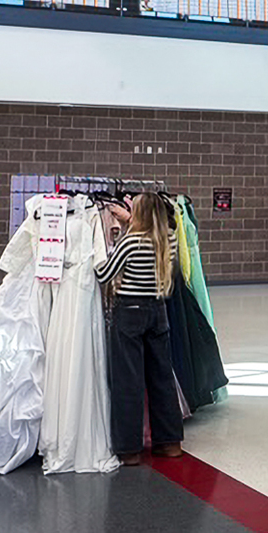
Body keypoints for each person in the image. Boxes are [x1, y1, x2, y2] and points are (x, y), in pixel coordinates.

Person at [95, 193, 184, 465]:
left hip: (129, 312)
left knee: (128, 380)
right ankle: (170, 442)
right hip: (158, 311)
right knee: (162, 378)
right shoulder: (169, 239)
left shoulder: (131, 241)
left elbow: (104, 273)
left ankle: (129, 449)